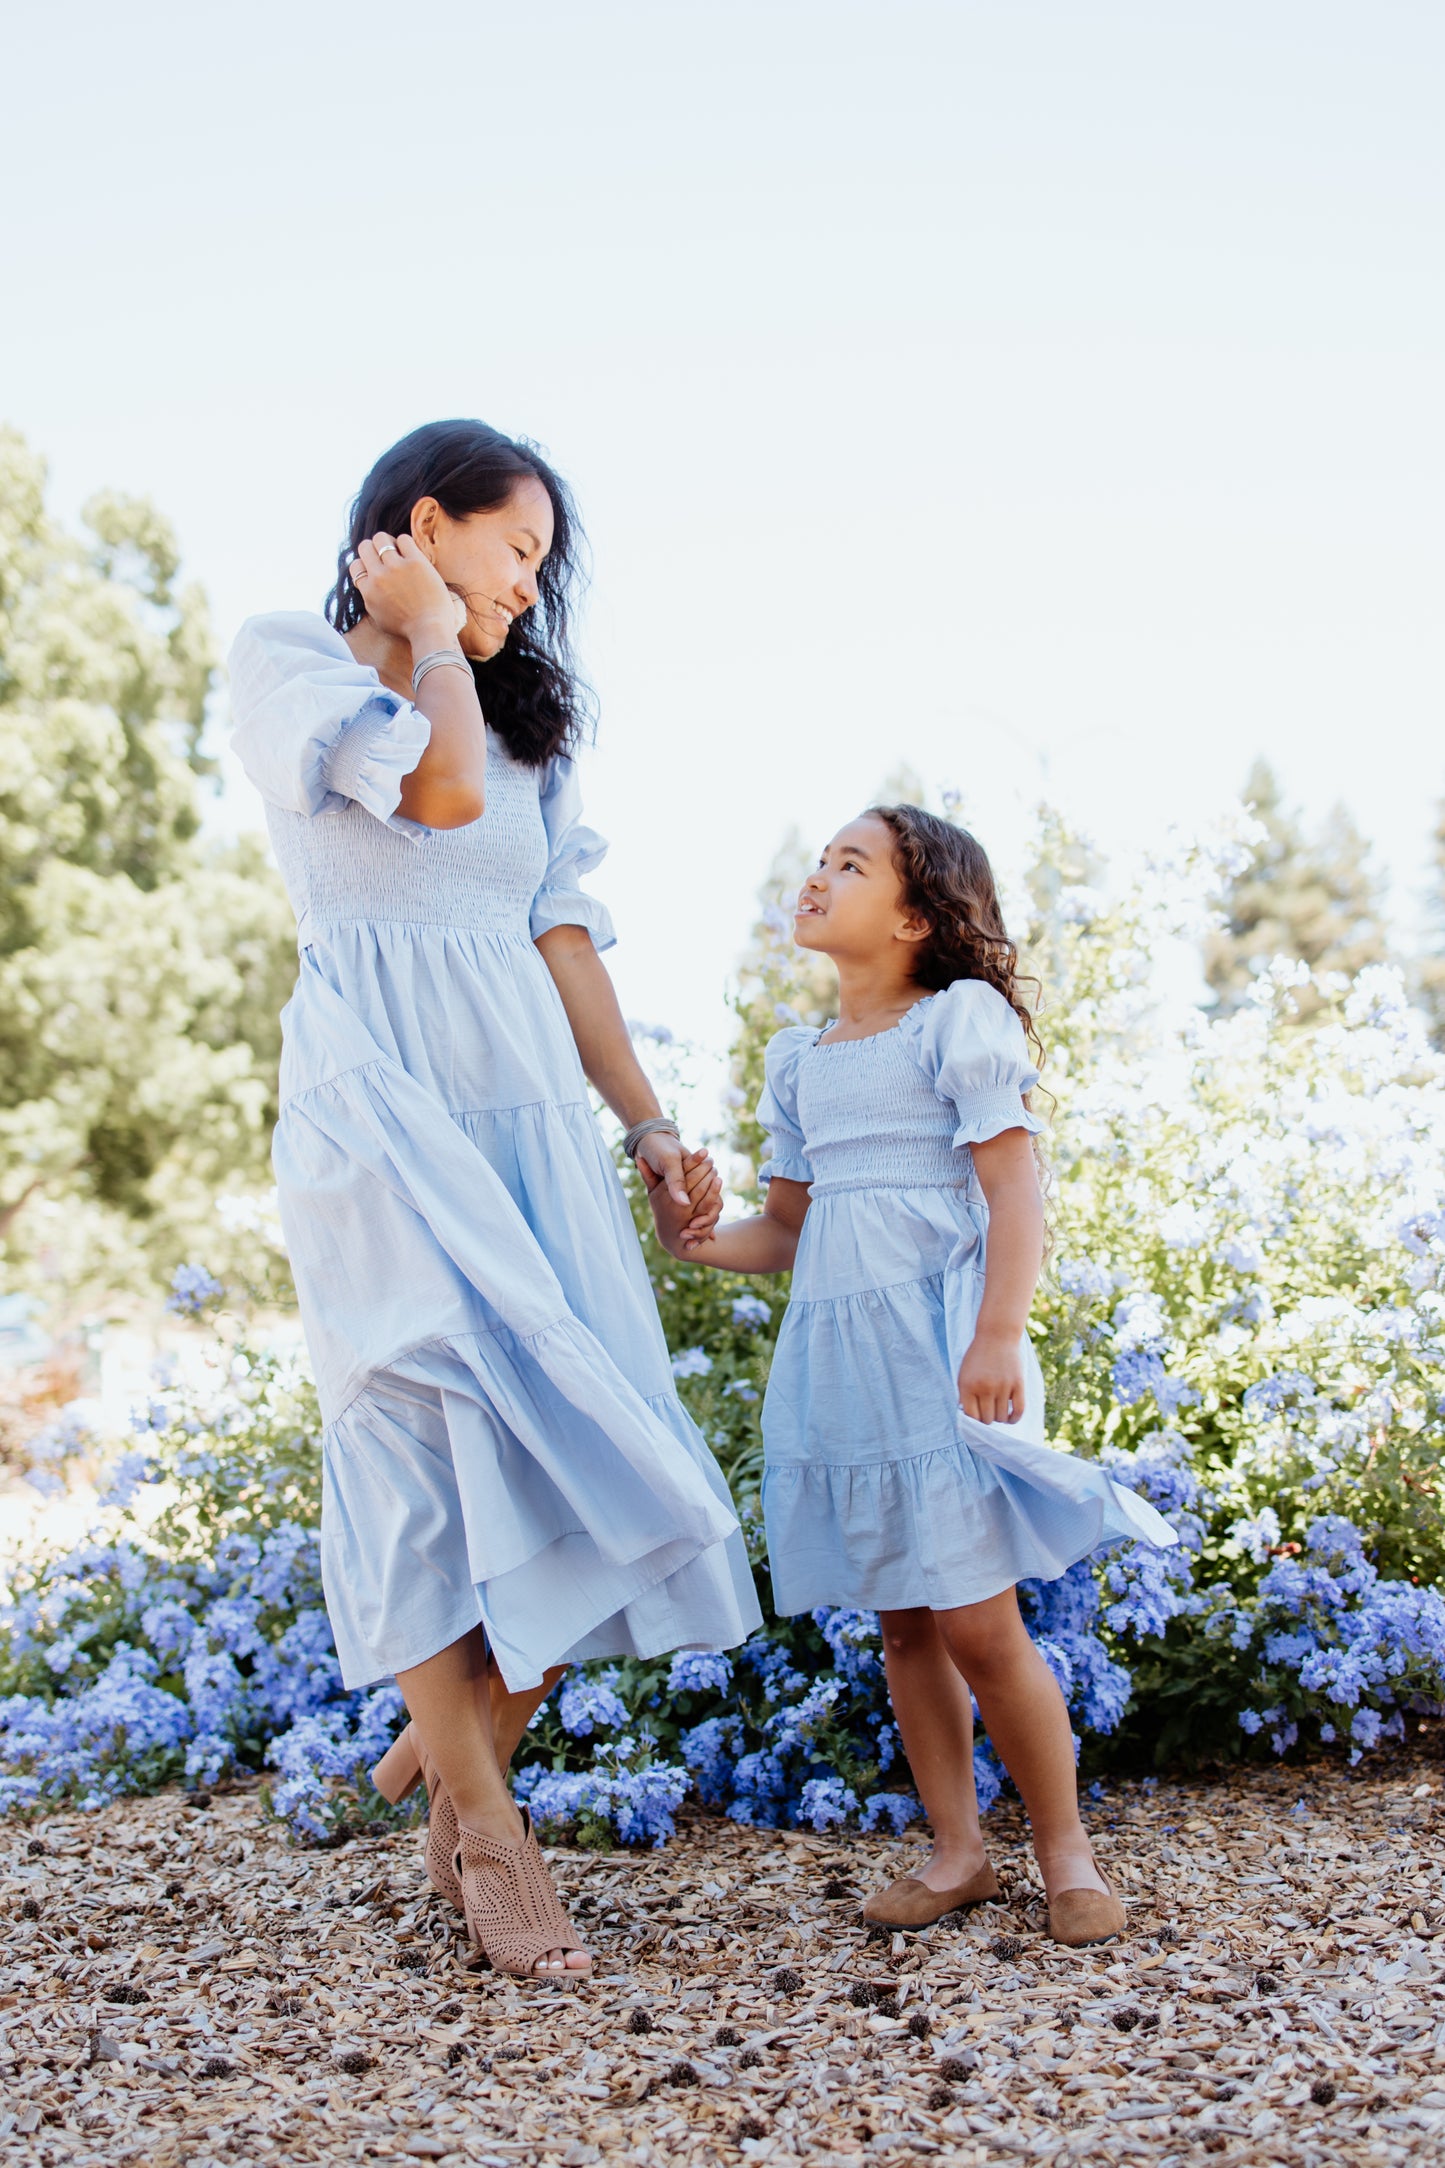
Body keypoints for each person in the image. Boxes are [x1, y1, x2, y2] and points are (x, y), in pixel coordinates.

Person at [228, 419, 759, 1980]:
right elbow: (440, 801)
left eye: (542, 566)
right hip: (376, 1095)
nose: (532, 588)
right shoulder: (288, 665)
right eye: (513, 549)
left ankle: (442, 1753)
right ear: (421, 522)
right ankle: (489, 1829)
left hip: (522, 1103)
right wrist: (434, 641)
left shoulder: (532, 724)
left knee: (628, 1461)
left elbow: (560, 939)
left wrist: (651, 1128)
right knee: (409, 1446)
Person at [649, 804, 1176, 1946]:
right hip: (843, 1368)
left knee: (981, 1624)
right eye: (818, 858)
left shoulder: (957, 1023)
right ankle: (956, 1851)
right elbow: (785, 1228)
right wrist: (690, 1234)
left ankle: (1064, 1850)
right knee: (903, 1627)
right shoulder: (798, 1062)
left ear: (914, 915)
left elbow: (1012, 1186)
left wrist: (997, 1331)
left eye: (851, 863)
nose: (818, 874)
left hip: (940, 1353)